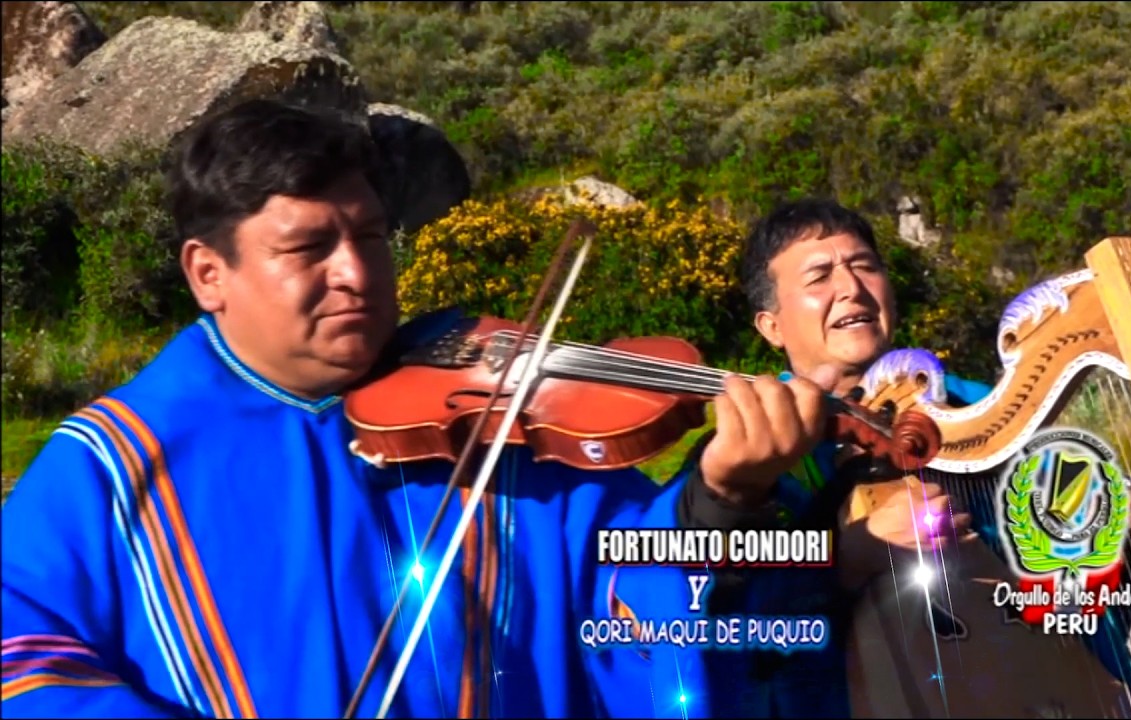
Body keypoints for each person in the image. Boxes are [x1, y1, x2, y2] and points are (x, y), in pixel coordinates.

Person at [0, 99, 837, 719]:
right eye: (307, 248)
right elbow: (21, 656)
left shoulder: (505, 426)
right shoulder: (116, 460)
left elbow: (635, 611)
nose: (358, 276)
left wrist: (722, 501)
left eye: (369, 237)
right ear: (206, 273)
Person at [681, 198, 1131, 716]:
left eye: (864, 266)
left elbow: (1068, 585)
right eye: (819, 276)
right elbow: (714, 618)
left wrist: (1112, 517)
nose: (851, 288)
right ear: (772, 327)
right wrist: (850, 557)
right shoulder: (748, 449)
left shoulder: (974, 406)